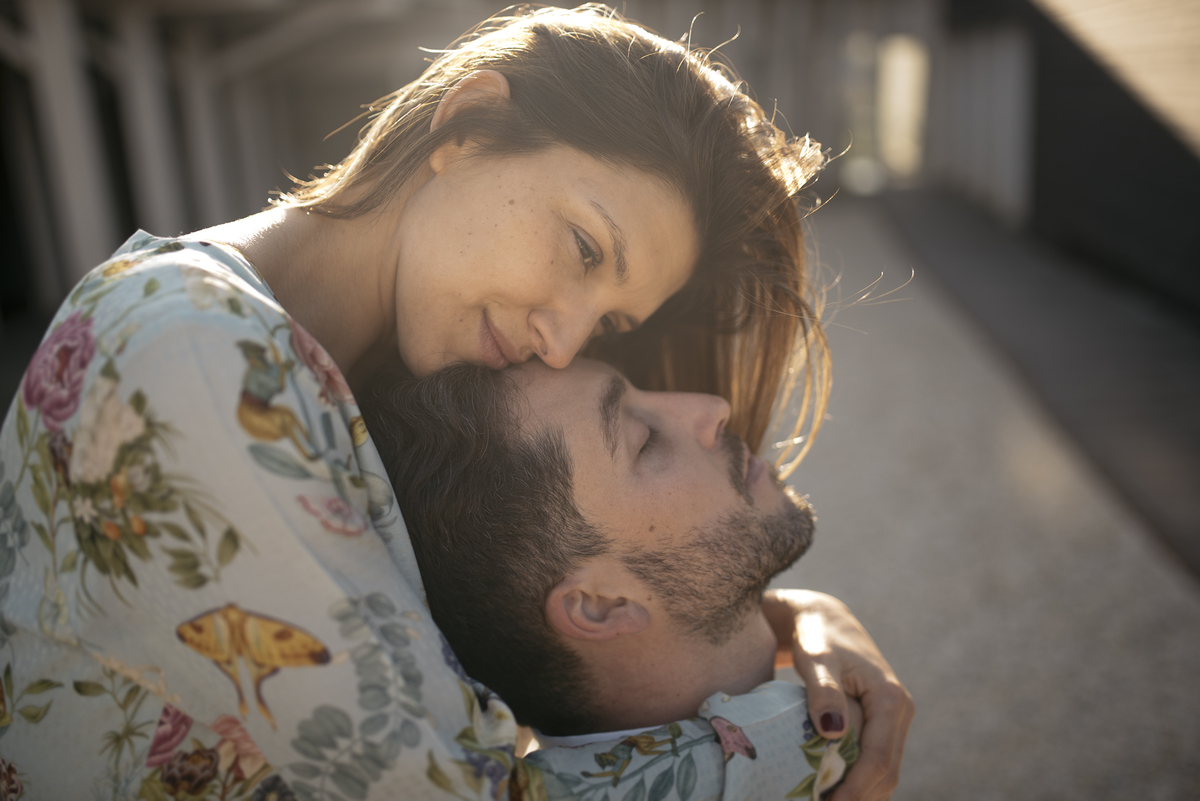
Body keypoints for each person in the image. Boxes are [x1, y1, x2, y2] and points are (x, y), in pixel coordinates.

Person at [0, 5, 911, 800]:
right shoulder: (196, 351)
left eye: (608, 320)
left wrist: (784, 612)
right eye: (586, 250)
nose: (562, 340)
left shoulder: (369, 372)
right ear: (467, 126)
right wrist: (805, 730)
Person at [360, 357, 865, 799]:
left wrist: (807, 614)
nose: (712, 406)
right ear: (599, 606)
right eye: (644, 443)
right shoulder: (816, 750)